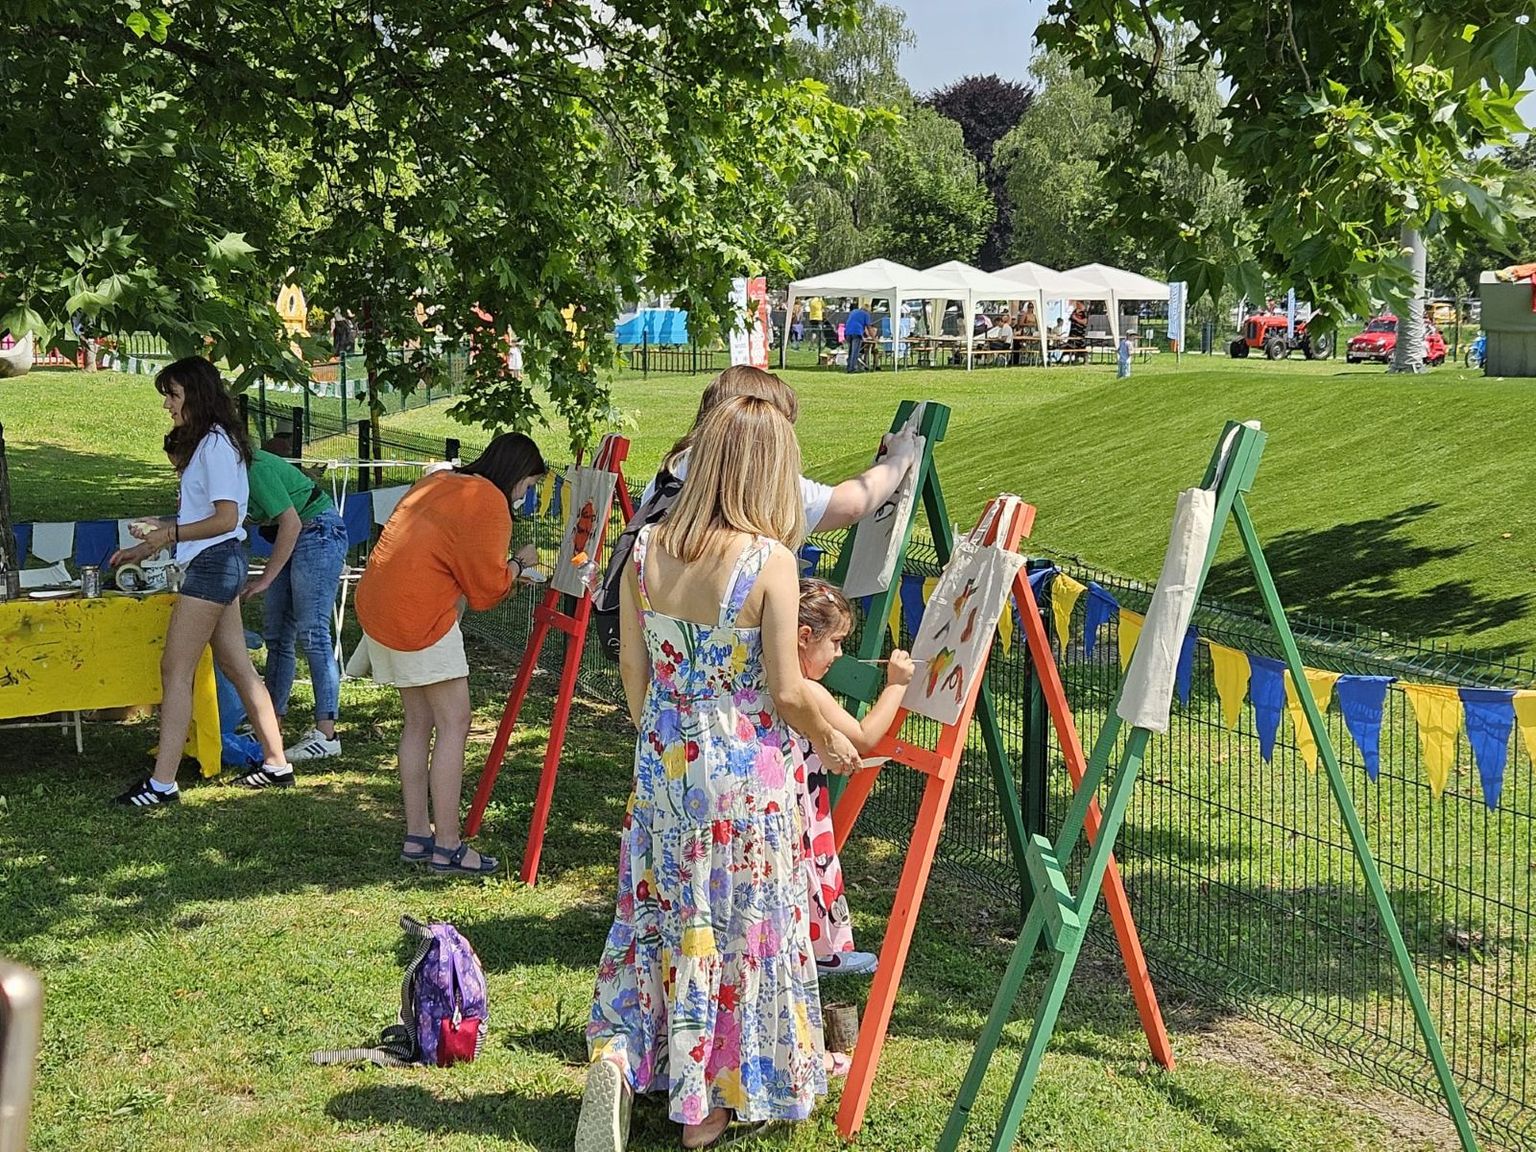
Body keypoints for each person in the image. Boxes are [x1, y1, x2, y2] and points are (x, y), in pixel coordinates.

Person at [580, 396, 859, 1152]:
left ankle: (625, 1054)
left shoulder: (647, 546)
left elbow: (633, 669)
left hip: (666, 757)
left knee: (663, 913)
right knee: (741, 926)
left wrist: (665, 736)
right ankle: (709, 1104)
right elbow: (788, 690)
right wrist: (829, 738)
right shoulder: (771, 562)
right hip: (744, 769)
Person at [595, 366, 920, 664]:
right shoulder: (768, 499)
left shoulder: (675, 469)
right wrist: (898, 460)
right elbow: (851, 504)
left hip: (665, 658)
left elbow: (632, 665)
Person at [352, 433, 546, 875]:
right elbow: (486, 591)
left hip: (380, 607)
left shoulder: (439, 481)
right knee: (455, 723)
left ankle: (418, 835)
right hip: (418, 617)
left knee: (418, 721)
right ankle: (447, 846)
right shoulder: (489, 500)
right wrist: (518, 564)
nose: (527, 494)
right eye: (530, 485)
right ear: (518, 475)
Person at [109, 357, 294, 806]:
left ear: (196, 394)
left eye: (172, 395)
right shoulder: (214, 442)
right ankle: (277, 764)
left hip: (214, 566)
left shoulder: (214, 444)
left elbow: (226, 520)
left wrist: (169, 534)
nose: (167, 405)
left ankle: (162, 783)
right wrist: (149, 544)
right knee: (238, 667)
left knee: (175, 670)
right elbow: (205, 519)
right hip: (219, 562)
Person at [791, 579, 914, 980]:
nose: (840, 654)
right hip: (802, 811)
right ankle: (822, 953)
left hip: (779, 801)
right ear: (804, 637)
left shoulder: (765, 677)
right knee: (809, 870)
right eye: (836, 642)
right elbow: (863, 737)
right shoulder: (808, 691)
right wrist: (896, 685)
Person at [242, 447, 349, 763]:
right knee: (276, 634)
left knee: (313, 632)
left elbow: (291, 523)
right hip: (295, 533)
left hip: (318, 531)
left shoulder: (254, 468)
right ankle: (271, 723)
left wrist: (265, 579)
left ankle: (326, 735)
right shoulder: (226, 474)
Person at [843, 300, 871, 373]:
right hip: (857, 332)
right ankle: (853, 368)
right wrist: (873, 337)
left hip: (848, 332)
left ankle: (849, 366)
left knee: (850, 351)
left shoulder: (854, 311)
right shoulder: (866, 314)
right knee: (855, 351)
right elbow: (868, 327)